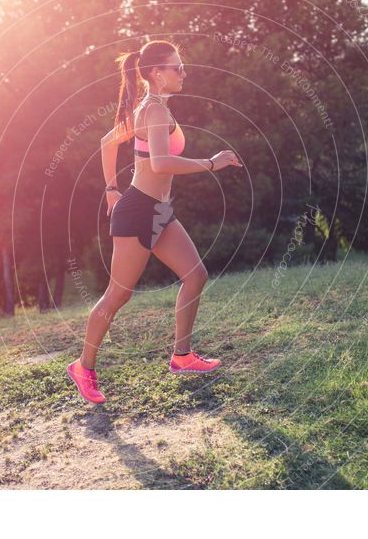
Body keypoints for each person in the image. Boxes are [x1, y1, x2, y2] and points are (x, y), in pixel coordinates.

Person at [67, 40, 243, 404]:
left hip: (160, 210)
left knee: (196, 275)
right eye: (177, 68)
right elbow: (161, 163)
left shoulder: (152, 109)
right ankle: (83, 367)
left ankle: (182, 357)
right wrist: (211, 163)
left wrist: (112, 189)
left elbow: (106, 141)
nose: (183, 73)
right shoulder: (154, 111)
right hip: (139, 211)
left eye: (182, 66)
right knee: (119, 295)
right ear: (155, 74)